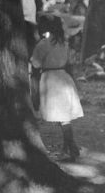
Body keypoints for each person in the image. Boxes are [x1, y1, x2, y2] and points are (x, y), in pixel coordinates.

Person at [31, 14, 83, 160]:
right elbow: (69, 64)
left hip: (51, 80)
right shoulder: (64, 43)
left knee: (61, 115)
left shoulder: (44, 44)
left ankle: (70, 145)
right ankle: (69, 145)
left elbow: (35, 63)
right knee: (64, 116)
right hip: (64, 78)